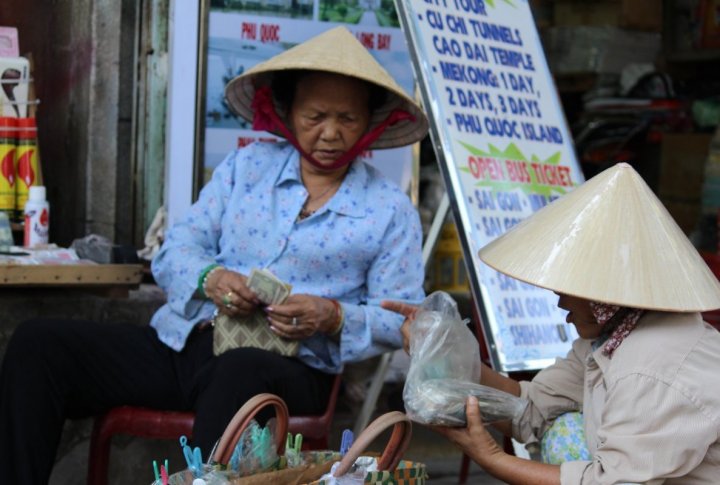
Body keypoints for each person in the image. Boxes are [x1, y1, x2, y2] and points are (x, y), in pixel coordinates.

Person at [0, 26, 428, 484]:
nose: (330, 133)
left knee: (238, 372)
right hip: (186, 345)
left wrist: (333, 315)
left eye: (347, 118)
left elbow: (403, 317)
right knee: (39, 344)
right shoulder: (246, 168)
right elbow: (176, 249)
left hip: (289, 368)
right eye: (315, 116)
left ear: (370, 121)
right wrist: (212, 279)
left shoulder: (388, 209)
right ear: (285, 113)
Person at [383, 163, 720, 484]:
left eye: (568, 291)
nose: (560, 303)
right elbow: (530, 408)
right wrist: (444, 350)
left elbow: (617, 483)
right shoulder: (614, 339)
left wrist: (491, 458)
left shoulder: (649, 366)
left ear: (604, 298)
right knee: (561, 424)